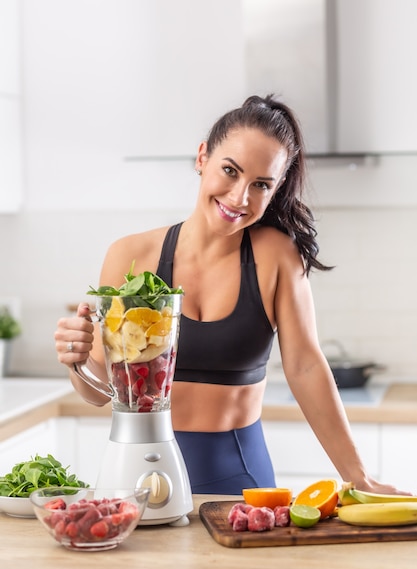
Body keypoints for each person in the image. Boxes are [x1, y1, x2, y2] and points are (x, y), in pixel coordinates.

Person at [55, 94, 406, 496]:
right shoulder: (130, 257)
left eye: (261, 184)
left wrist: (357, 477)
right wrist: (77, 360)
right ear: (202, 157)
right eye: (230, 170)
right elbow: (101, 392)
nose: (240, 197)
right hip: (135, 473)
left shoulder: (276, 257)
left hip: (240, 478)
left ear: (275, 190)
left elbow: (306, 367)